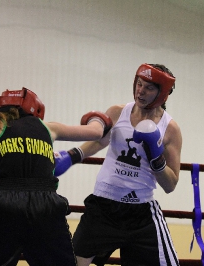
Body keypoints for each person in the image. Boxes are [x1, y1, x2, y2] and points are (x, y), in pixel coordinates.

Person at [0, 87, 112, 266]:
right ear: (35, 110)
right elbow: (96, 133)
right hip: (46, 205)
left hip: (2, 204)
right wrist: (98, 118)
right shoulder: (48, 128)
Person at [55, 64, 182, 266]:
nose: (140, 91)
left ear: (163, 93)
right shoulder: (117, 112)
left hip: (141, 213)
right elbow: (98, 141)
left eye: (149, 88)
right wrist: (71, 156)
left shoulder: (170, 129)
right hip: (103, 206)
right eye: (139, 84)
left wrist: (157, 159)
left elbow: (171, 184)